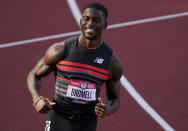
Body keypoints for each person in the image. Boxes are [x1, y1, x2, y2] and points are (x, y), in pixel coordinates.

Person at [27, 2, 123, 131]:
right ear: (80, 21)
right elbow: (34, 74)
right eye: (86, 19)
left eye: (96, 20)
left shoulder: (112, 63)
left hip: (87, 124)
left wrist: (108, 109)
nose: (90, 23)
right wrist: (37, 99)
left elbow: (115, 99)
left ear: (105, 25)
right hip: (58, 118)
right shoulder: (60, 50)